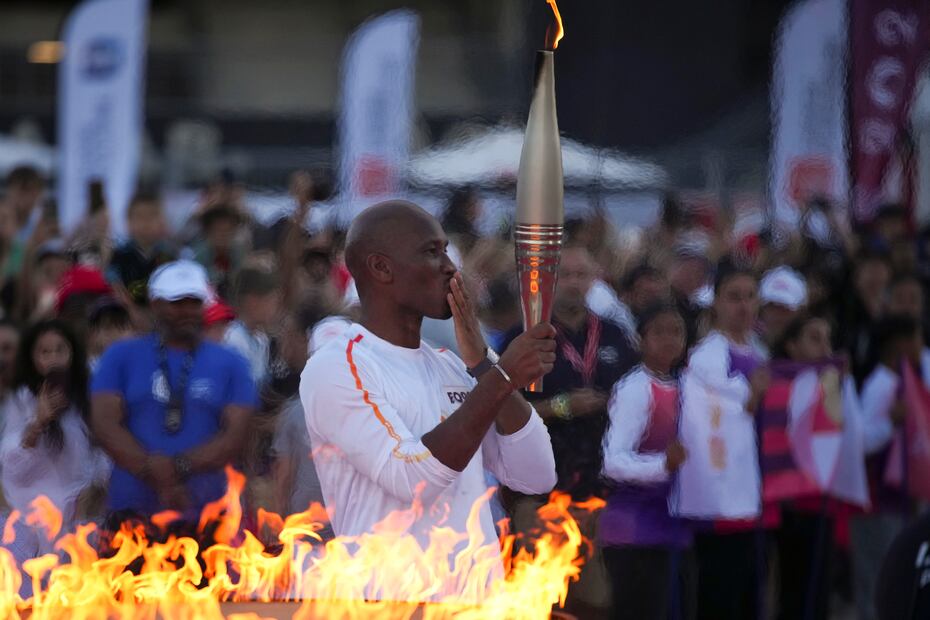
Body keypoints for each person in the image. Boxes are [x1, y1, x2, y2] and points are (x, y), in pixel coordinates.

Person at [299, 200, 556, 599]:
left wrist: (484, 365)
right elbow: (412, 479)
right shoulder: (337, 367)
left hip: (479, 604)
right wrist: (502, 378)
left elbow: (536, 475)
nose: (451, 267)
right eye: (431, 253)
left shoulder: (452, 367)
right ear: (381, 268)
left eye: (447, 251)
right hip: (394, 604)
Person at [90, 260, 257, 522]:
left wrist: (178, 466)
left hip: (208, 515)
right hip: (132, 514)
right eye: (177, 303)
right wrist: (151, 469)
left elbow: (237, 435)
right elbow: (104, 424)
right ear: (156, 304)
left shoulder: (232, 362)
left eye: (194, 302)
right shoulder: (120, 356)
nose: (187, 311)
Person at [600, 304, 694, 620]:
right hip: (634, 530)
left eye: (676, 331)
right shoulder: (635, 388)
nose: (669, 339)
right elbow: (613, 462)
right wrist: (662, 466)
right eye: (659, 332)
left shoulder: (688, 386)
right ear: (642, 340)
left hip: (674, 524)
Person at [687, 260, 769, 620]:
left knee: (751, 594)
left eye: (750, 297)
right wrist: (753, 396)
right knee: (721, 596)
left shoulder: (760, 351)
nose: (744, 306)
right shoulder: (707, 357)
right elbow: (721, 416)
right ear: (716, 302)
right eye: (734, 297)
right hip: (721, 499)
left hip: (755, 494)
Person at [0, 320, 109, 550]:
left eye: (60, 350)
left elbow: (101, 453)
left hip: (82, 513)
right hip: (34, 520)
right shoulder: (22, 399)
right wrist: (38, 422)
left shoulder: (87, 396)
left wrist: (94, 488)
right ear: (33, 358)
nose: (53, 359)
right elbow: (11, 467)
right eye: (45, 352)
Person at [851, 314, 922, 620]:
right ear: (901, 345)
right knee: (879, 576)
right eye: (918, 338)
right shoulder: (880, 386)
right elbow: (862, 442)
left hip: (899, 500)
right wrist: (891, 424)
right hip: (876, 502)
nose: (922, 346)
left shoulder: (903, 383)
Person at [106, 192, 173, 307]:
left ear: (162, 220)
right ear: (128, 222)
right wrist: (132, 311)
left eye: (151, 216)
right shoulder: (119, 254)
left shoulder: (170, 254)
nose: (145, 223)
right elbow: (114, 285)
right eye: (139, 217)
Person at [224, 267, 282, 388]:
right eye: (271, 300)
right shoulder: (231, 340)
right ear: (252, 302)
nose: (275, 307)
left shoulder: (261, 338)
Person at [757, 266, 807, 352]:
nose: (777, 314)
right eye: (772, 306)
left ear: (800, 311)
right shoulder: (744, 345)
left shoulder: (807, 352)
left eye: (786, 308)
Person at [86, 298, 134, 372]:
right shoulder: (85, 372)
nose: (116, 333)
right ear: (94, 335)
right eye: (108, 328)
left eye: (122, 327)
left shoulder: (144, 365)